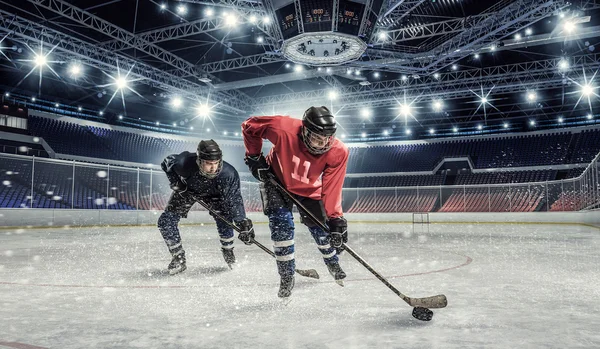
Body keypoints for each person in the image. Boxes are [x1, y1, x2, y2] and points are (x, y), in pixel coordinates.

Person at [242, 106, 349, 298]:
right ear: (305, 130)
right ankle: (286, 275)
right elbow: (250, 126)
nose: (323, 144)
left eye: (328, 138)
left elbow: (332, 187)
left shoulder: (338, 151)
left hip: (309, 189)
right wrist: (254, 156)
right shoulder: (283, 128)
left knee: (321, 228)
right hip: (276, 181)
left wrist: (335, 218)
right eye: (317, 137)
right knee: (281, 225)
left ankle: (332, 262)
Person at [157, 139, 254, 275]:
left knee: (225, 219)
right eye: (209, 164)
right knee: (165, 222)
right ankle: (178, 257)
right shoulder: (184, 163)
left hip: (216, 195)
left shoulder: (228, 174)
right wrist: (177, 183)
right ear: (199, 160)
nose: (213, 168)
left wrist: (242, 222)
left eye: (216, 163)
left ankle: (228, 251)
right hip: (188, 191)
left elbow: (234, 200)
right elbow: (166, 163)